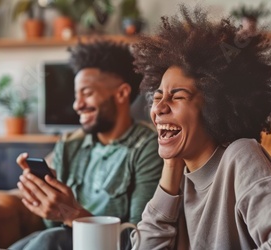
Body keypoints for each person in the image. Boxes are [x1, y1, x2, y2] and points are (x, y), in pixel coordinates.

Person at [130, 5, 271, 250]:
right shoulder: (179, 176)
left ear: (215, 105)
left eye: (177, 96)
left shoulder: (241, 157)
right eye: (158, 97)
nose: (159, 108)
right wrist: (170, 167)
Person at [10, 39, 163, 250]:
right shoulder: (70, 145)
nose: (77, 105)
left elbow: (137, 239)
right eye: (76, 96)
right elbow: (54, 226)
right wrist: (46, 200)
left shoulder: (147, 147)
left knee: (51, 239)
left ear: (121, 93)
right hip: (59, 241)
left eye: (87, 93)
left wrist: (72, 214)